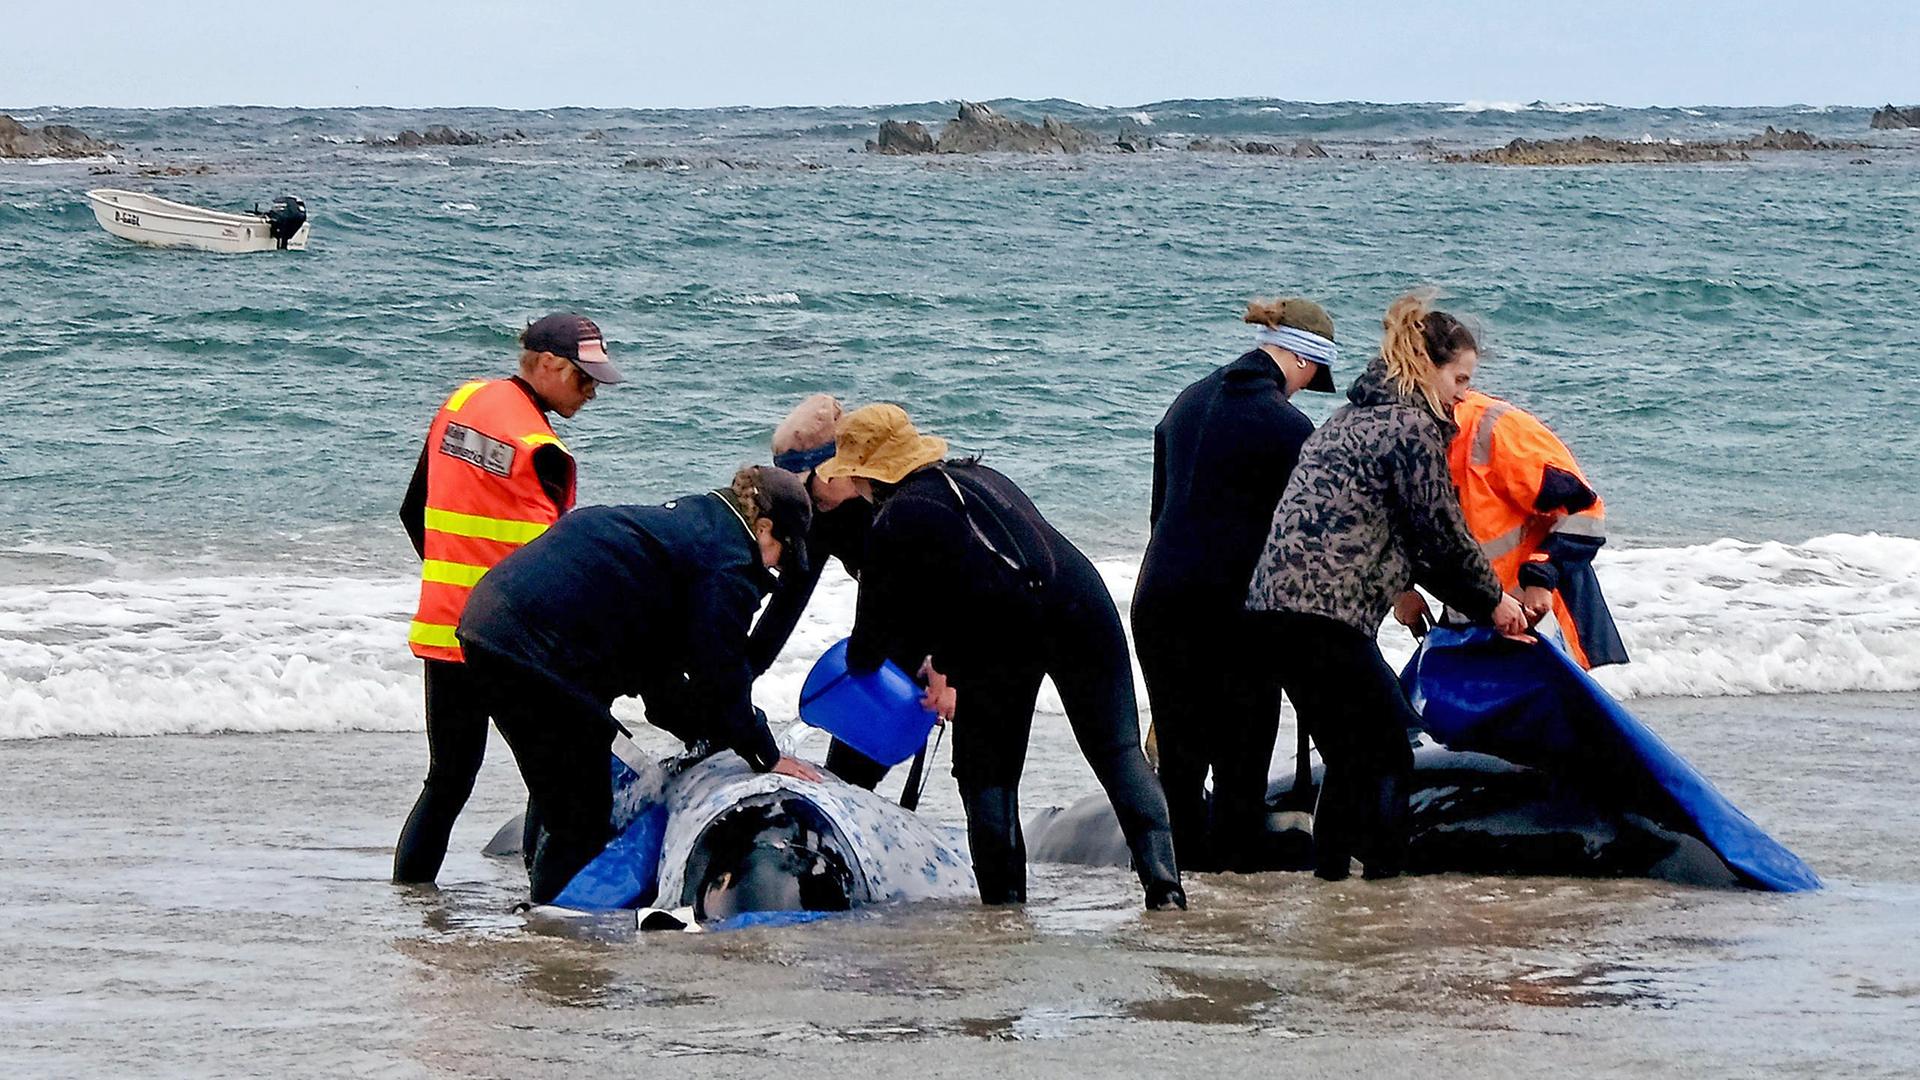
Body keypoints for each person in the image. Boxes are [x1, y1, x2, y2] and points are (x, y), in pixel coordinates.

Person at [816, 404, 1186, 910]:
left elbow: (868, 648)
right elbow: (992, 572)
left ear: (861, 472)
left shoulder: (895, 522)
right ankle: (1166, 893)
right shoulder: (979, 476)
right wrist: (944, 665)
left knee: (988, 777)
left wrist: (936, 672)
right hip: (1082, 604)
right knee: (1118, 754)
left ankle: (1006, 913)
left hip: (1005, 631)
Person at [1246, 292, 1529, 882]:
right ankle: (1384, 892)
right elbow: (1442, 535)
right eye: (1460, 378)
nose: (1463, 394)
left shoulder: (1350, 417)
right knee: (1388, 755)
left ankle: (1331, 888)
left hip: (1272, 611)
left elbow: (1376, 525)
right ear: (1427, 367)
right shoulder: (1411, 428)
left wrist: (1407, 583)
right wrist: (1497, 603)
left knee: (1351, 758)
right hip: (1324, 617)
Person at [456, 466, 825, 904]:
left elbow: (660, 680)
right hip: (534, 646)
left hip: (489, 624)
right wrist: (763, 753)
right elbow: (721, 674)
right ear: (763, 528)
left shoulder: (695, 527)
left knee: (562, 783)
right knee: (582, 811)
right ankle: (552, 930)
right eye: (781, 553)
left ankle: (545, 898)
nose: (775, 566)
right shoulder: (726, 562)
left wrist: (705, 736)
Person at [392, 312, 622, 885]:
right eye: (584, 377)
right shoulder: (540, 448)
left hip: (448, 630)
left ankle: (409, 904)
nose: (592, 391)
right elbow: (554, 564)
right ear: (546, 364)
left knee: (447, 780)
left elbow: (412, 512)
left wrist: (462, 587)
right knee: (549, 777)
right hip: (515, 643)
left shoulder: (462, 403)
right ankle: (541, 896)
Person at [1133, 296, 1336, 872]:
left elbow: (1161, 511)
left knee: (1178, 756)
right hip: (1233, 609)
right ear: (1303, 361)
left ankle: (1175, 890)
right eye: (1312, 378)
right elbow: (1302, 542)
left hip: (1158, 599)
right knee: (1241, 762)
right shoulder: (1288, 426)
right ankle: (1231, 898)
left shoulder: (1185, 403)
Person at [1392, 390, 1628, 669]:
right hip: (1472, 620)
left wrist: (1542, 578)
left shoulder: (1495, 429)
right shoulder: (1394, 437)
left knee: (1573, 708)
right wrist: (1402, 588)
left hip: (1548, 616)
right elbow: (1398, 526)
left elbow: (1584, 510)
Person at [746, 395, 888, 789]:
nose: (805, 501)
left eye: (807, 484)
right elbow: (784, 608)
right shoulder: (816, 516)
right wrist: (734, 689)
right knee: (846, 771)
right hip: (892, 623)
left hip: (957, 624)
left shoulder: (888, 501)